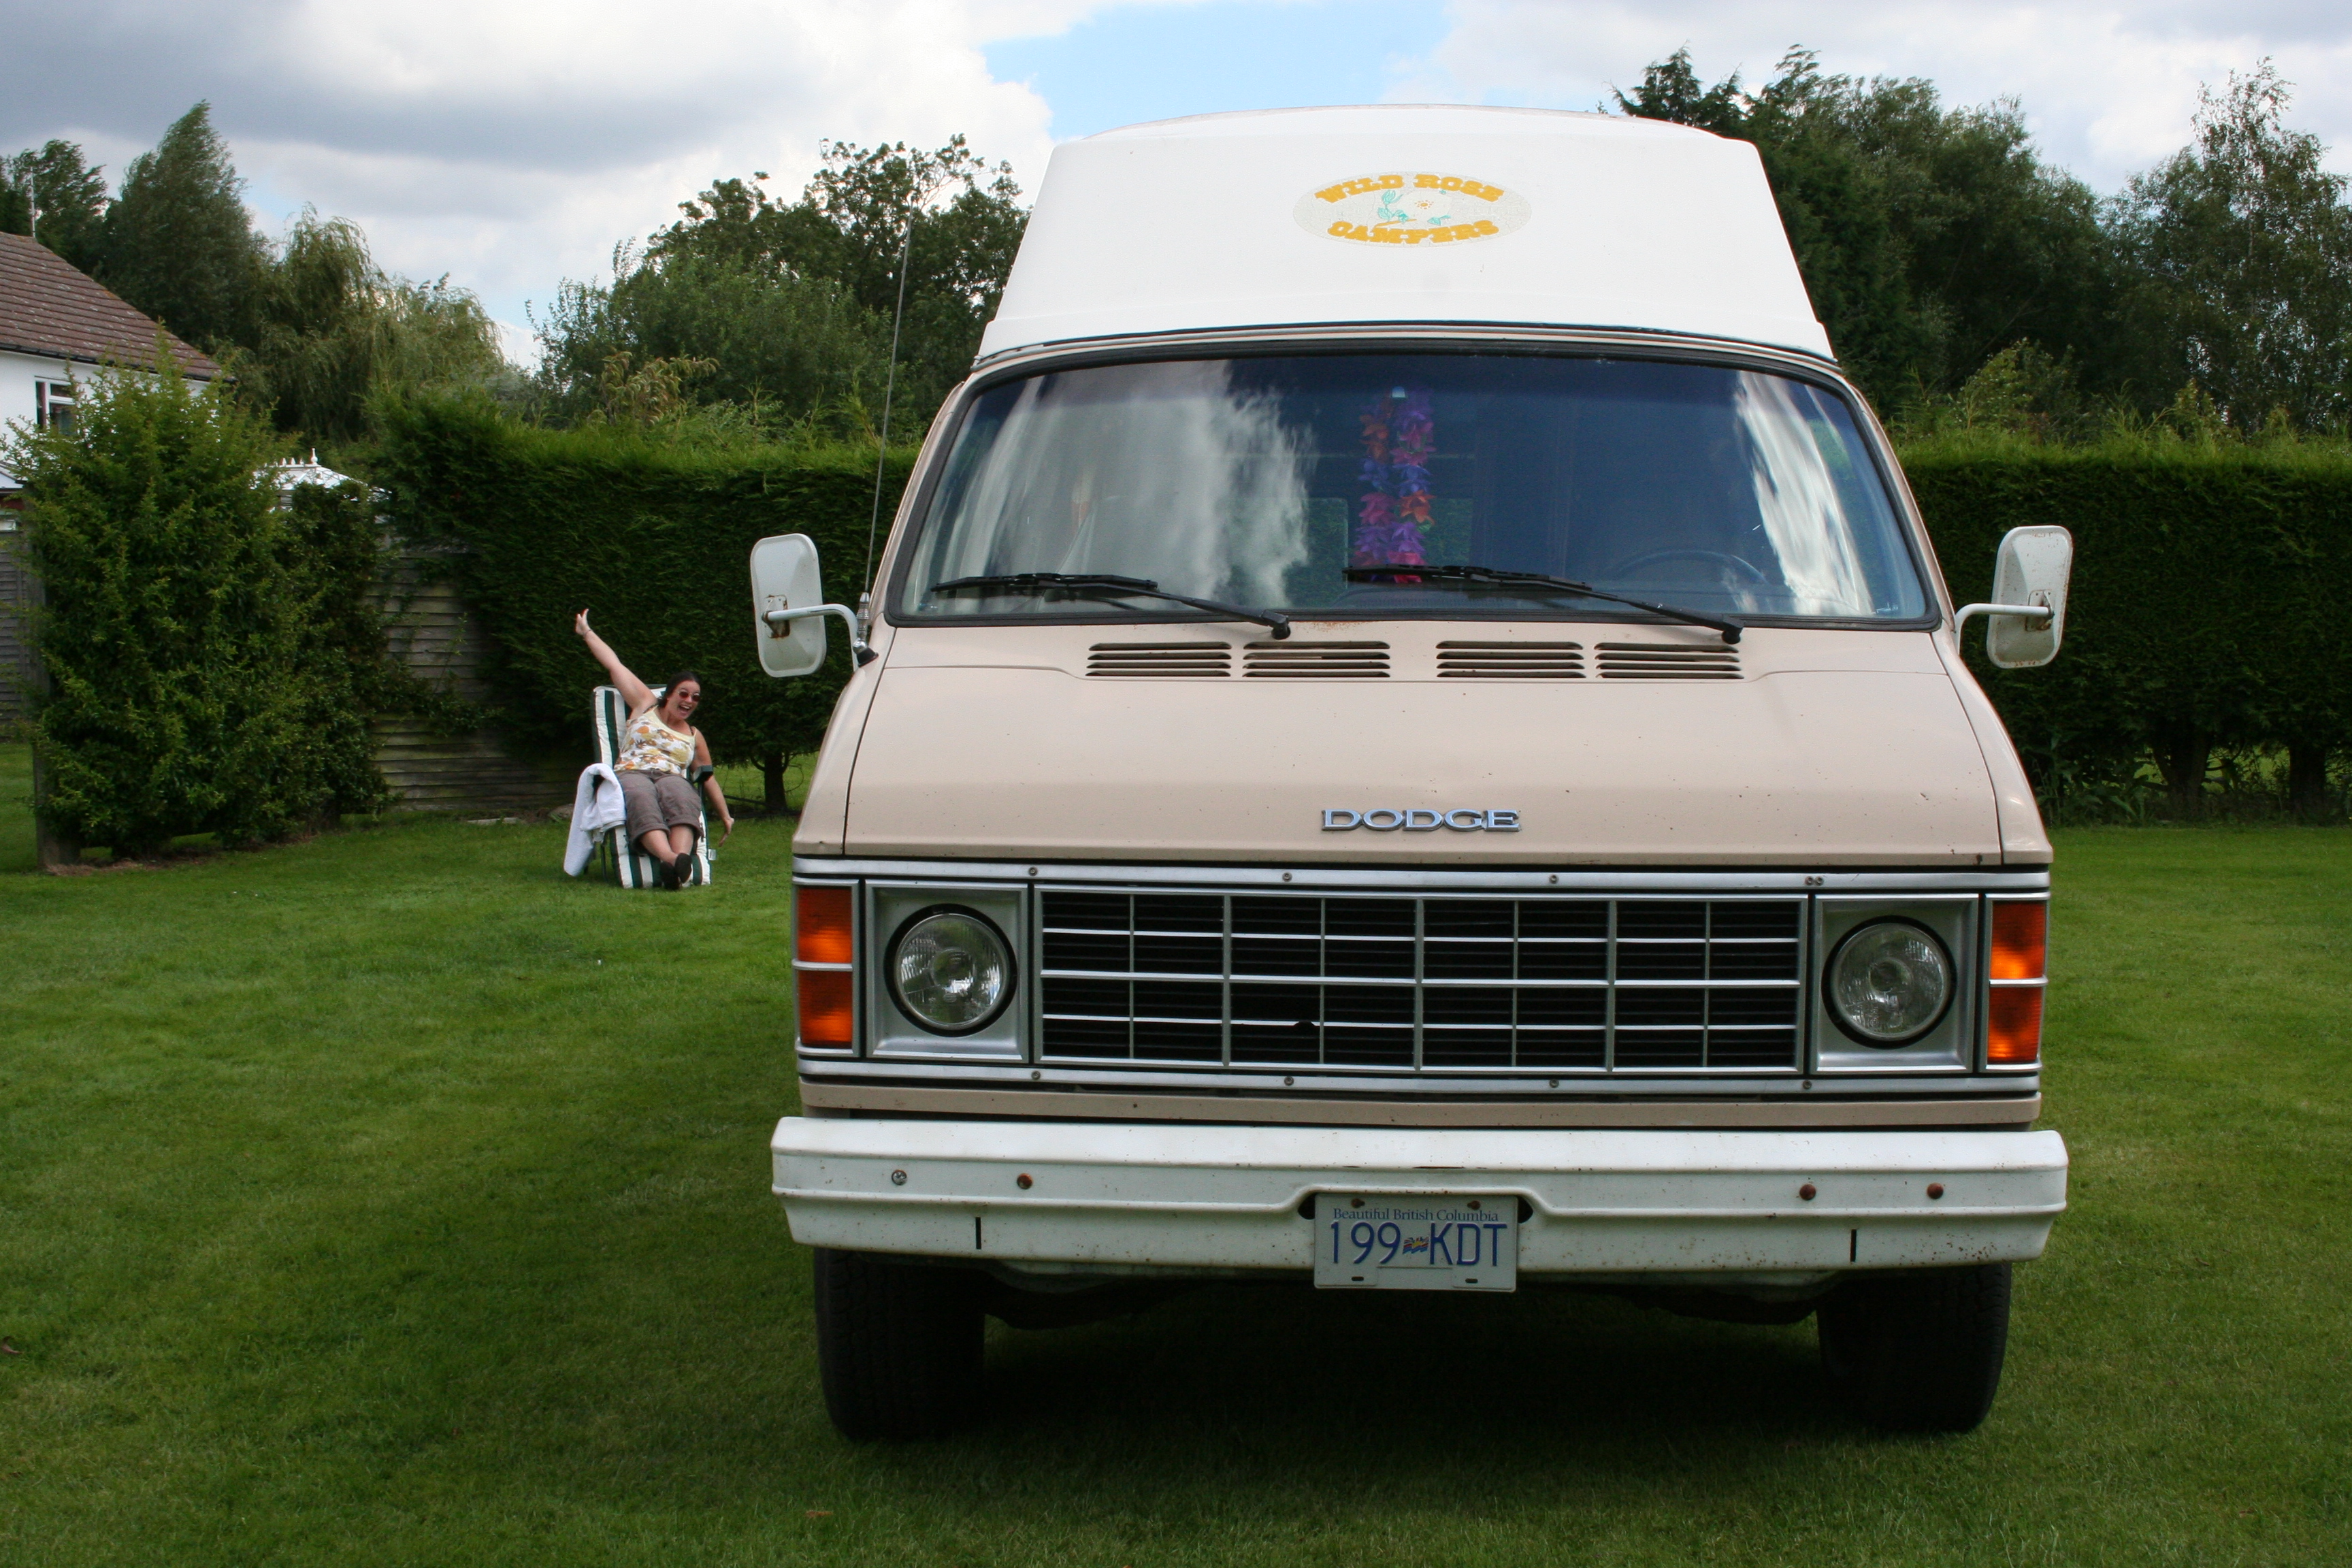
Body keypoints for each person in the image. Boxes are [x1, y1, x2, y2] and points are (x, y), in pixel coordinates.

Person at [574, 610, 733, 887]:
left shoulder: (694, 735)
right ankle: (673, 860)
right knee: (641, 797)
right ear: (669, 694)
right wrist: (586, 632)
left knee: (682, 797)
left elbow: (707, 778)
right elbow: (614, 665)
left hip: (672, 776)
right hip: (633, 772)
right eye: (683, 693)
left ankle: (674, 866)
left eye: (695, 697)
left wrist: (725, 815)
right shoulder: (645, 705)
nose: (689, 700)